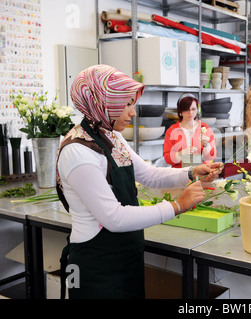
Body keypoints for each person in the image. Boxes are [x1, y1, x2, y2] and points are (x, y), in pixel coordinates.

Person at [56, 65, 222, 299]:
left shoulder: (112, 136)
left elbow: (149, 175)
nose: (133, 113)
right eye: (126, 104)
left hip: (125, 256)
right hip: (95, 264)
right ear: (102, 102)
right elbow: (114, 218)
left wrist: (192, 172)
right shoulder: (78, 151)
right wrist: (176, 206)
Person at [163, 93, 217, 168]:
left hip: (202, 173)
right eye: (186, 110)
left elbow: (212, 156)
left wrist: (206, 146)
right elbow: (167, 158)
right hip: (180, 174)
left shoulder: (205, 128)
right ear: (180, 112)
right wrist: (181, 153)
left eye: (193, 109)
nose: (190, 113)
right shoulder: (172, 131)